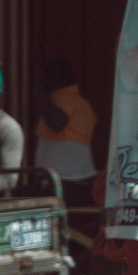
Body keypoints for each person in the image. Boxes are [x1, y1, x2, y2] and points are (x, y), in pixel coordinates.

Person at [34, 56, 99, 191]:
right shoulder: (73, 101)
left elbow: (57, 123)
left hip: (70, 182)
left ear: (52, 79)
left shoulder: (68, 100)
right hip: (63, 181)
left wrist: (40, 93)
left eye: (41, 78)